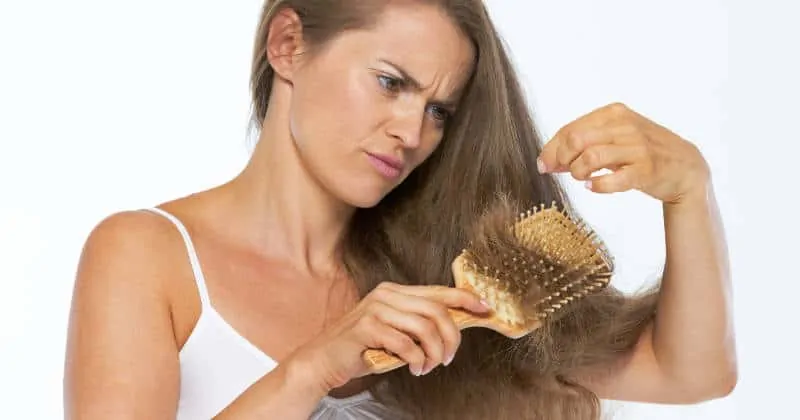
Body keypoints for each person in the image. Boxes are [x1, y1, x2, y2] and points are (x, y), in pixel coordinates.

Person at [63, 0, 737, 419]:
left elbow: (690, 373)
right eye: (390, 83)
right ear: (288, 44)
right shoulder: (148, 255)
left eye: (438, 110)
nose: (411, 132)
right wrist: (312, 370)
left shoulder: (444, 279)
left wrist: (691, 195)